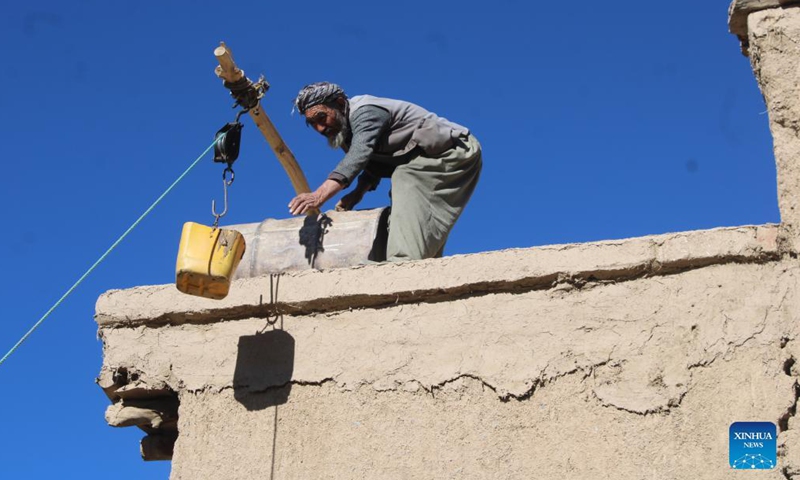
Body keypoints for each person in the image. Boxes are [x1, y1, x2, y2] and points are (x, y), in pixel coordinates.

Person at [288, 82, 482, 262]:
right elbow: (372, 164)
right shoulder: (345, 132)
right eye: (312, 123)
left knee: (406, 180)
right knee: (404, 213)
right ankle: (420, 264)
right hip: (426, 160)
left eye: (321, 117)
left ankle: (403, 262)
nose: (320, 128)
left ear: (339, 103)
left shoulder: (365, 112)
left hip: (453, 151)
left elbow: (359, 155)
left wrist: (319, 195)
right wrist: (357, 193)